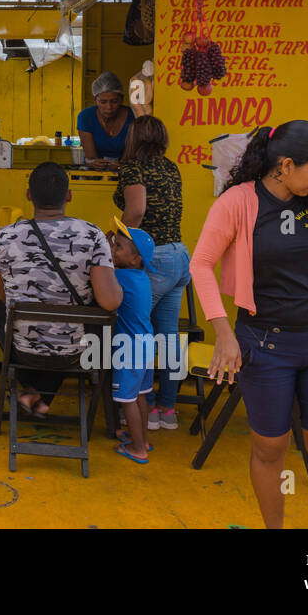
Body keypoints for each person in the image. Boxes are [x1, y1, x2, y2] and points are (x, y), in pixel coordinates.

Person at [192, 120, 308, 529]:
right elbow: (201, 264)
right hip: (264, 344)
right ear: (285, 165)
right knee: (269, 448)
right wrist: (224, 333)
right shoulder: (238, 201)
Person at [0, 163, 122, 416]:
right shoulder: (92, 236)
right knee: (84, 317)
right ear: (69, 195)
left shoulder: (5, 237)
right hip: (73, 353)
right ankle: (39, 395)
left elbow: (3, 295)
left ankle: (32, 391)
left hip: (21, 350)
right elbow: (111, 302)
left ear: (29, 195)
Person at [113, 114, 189, 430]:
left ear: (133, 138)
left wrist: (119, 242)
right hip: (178, 255)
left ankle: (132, 404)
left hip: (152, 257)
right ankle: (166, 410)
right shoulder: (170, 166)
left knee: (134, 334)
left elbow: (137, 210)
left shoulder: (133, 167)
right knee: (168, 337)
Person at [108, 219, 157, 463]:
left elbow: (101, 277)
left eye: (118, 247)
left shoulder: (122, 276)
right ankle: (142, 439)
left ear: (136, 259)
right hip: (146, 343)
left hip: (129, 348)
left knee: (127, 399)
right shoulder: (140, 277)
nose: (112, 250)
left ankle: (138, 448)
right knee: (140, 396)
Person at [77, 71, 135, 167]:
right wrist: (92, 162)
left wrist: (122, 165)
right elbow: (90, 157)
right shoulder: (85, 117)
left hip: (125, 172)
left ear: (122, 99)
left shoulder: (133, 117)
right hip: (95, 173)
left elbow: (130, 157)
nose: (109, 107)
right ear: (95, 100)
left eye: (114, 101)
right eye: (103, 102)